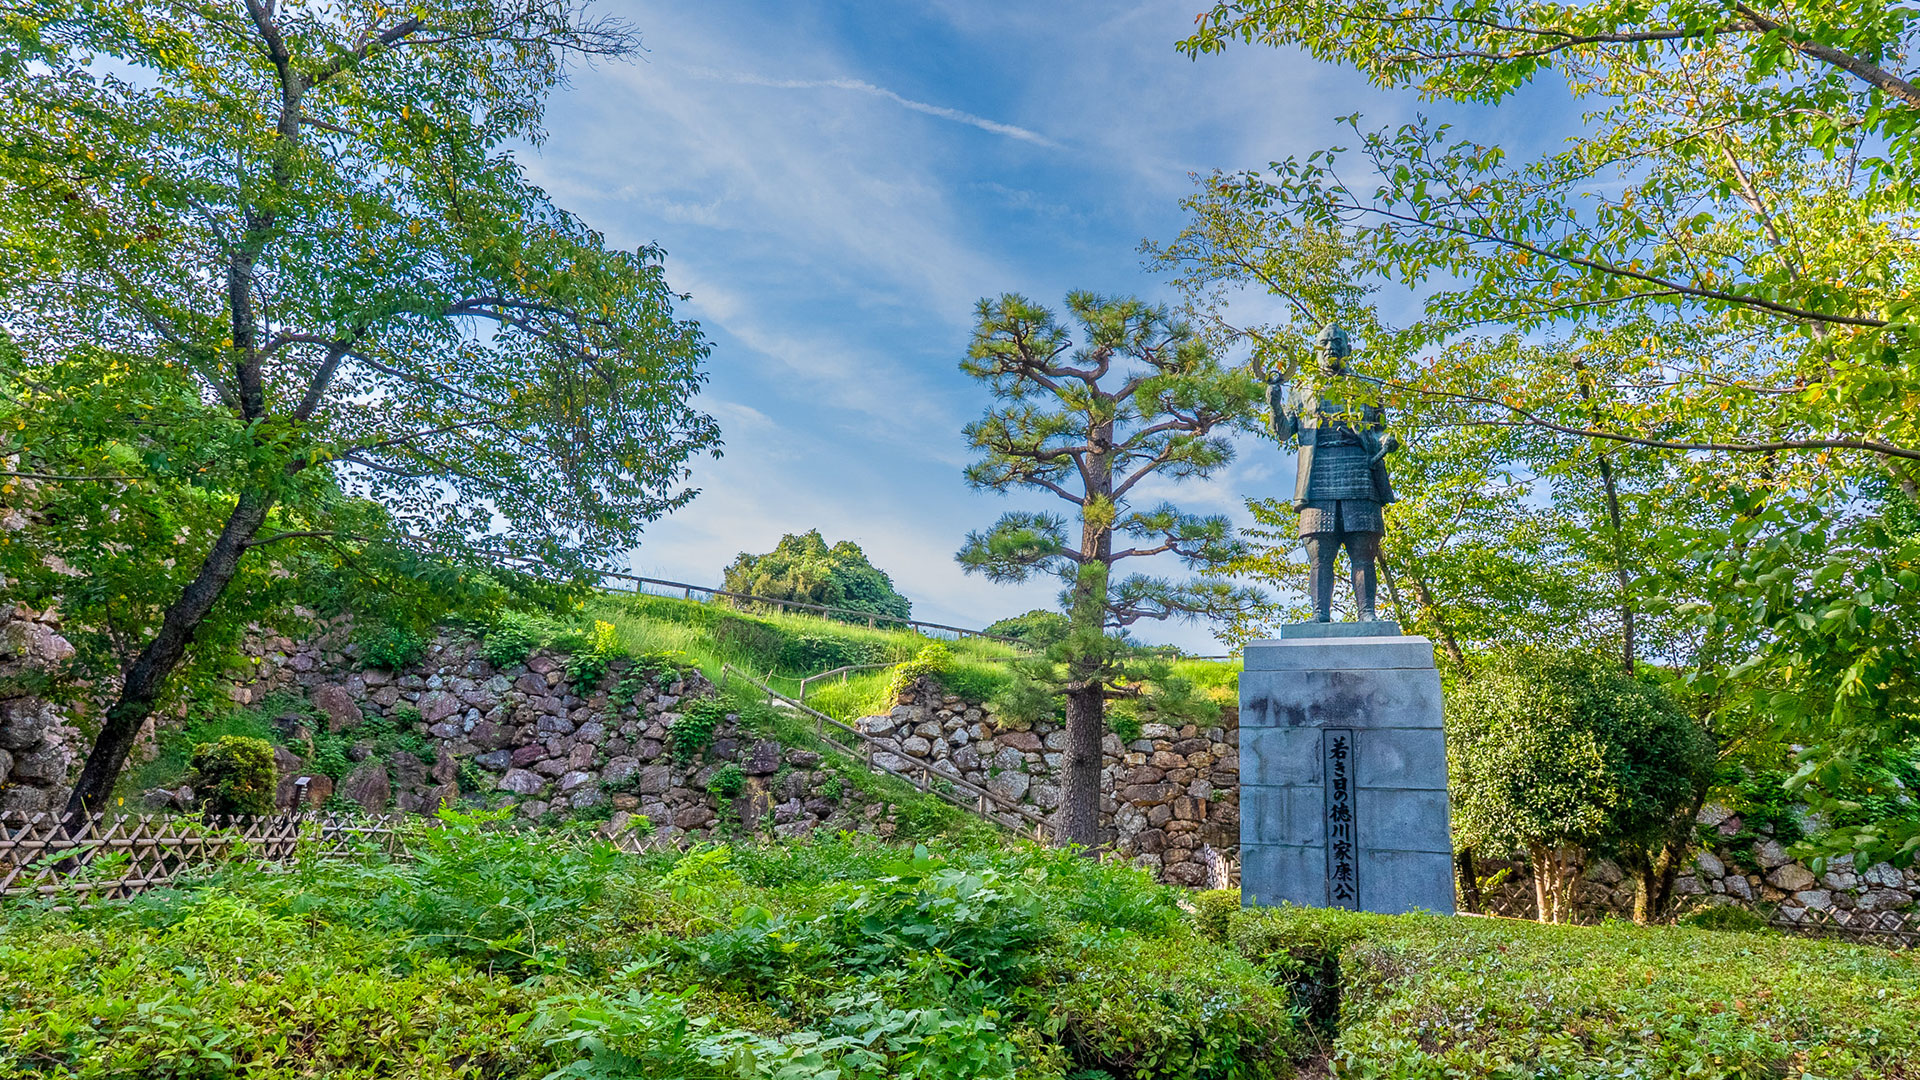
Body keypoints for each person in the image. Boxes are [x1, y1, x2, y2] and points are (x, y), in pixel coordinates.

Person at [1265, 324, 1398, 622]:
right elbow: (1285, 432)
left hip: (1359, 474)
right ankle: (1319, 614)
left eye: (1337, 343)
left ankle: (1367, 613)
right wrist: (1274, 403)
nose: (1330, 348)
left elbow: (1378, 431)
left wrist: (1386, 441)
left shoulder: (1368, 388)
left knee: (1363, 553)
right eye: (1324, 343)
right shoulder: (1302, 392)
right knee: (1319, 556)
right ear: (1316, 351)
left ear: (1348, 350)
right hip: (1316, 479)